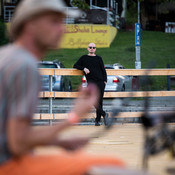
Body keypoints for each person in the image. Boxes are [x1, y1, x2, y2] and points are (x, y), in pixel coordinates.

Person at [0, 0, 125, 174]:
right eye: (54, 21)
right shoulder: (25, 66)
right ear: (30, 25)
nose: (63, 29)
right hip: (9, 165)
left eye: (62, 21)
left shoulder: (7, 56)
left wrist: (59, 142)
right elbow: (18, 143)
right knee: (113, 164)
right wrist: (74, 117)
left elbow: (10, 135)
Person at [74, 43, 108, 126]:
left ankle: (98, 120)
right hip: (91, 82)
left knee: (100, 101)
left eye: (93, 47)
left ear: (95, 49)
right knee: (92, 99)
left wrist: (105, 80)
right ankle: (104, 114)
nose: (92, 48)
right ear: (87, 48)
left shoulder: (99, 58)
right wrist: (83, 68)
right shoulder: (84, 58)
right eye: (90, 47)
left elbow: (103, 71)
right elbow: (75, 65)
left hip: (100, 81)